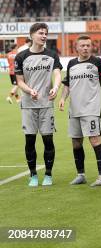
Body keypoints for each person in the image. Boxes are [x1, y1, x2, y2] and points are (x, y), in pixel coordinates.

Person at [59, 35, 101, 187]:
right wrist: (62, 99)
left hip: (91, 109)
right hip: (74, 110)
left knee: (95, 140)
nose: (85, 48)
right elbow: (67, 84)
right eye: (82, 45)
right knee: (76, 143)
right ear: (77, 48)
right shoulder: (71, 64)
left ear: (91, 47)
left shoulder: (97, 62)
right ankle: (81, 174)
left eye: (88, 45)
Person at [14, 23, 62, 187]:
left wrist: (55, 87)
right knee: (30, 141)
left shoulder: (52, 55)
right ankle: (33, 175)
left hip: (46, 105)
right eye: (41, 33)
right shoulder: (21, 57)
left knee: (48, 140)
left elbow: (57, 74)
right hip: (28, 105)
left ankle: (48, 175)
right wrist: (29, 91)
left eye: (46, 34)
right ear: (32, 35)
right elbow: (19, 81)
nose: (44, 36)